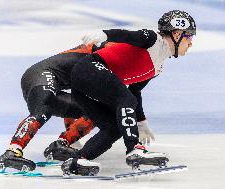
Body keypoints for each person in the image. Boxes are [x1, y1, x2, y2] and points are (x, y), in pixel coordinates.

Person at [56, 10, 196, 176]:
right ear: (176, 34)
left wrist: (142, 123)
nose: (191, 44)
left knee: (113, 129)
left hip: (83, 85)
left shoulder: (158, 66)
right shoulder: (153, 39)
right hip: (89, 68)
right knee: (125, 99)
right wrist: (104, 34)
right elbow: (128, 35)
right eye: (190, 37)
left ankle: (77, 160)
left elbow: (135, 91)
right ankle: (134, 149)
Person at [0, 43, 155, 171]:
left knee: (96, 111)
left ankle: (62, 144)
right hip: (42, 73)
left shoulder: (119, 63)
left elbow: (129, 93)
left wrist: (141, 120)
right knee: (43, 107)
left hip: (61, 84)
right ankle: (12, 151)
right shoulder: (117, 49)